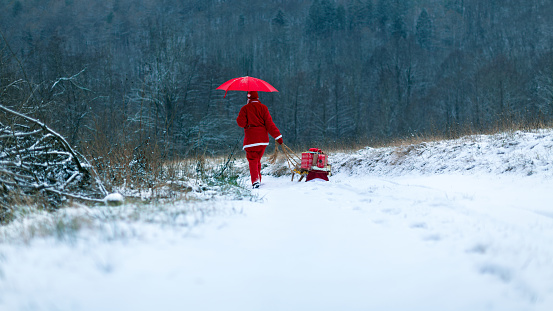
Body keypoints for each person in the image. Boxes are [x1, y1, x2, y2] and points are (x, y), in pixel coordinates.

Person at [236, 91, 283, 189]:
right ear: (257, 98)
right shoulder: (264, 108)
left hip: (251, 141)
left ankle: (255, 181)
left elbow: (241, 123)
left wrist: (245, 115)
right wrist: (278, 137)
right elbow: (270, 124)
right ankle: (258, 179)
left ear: (248, 98)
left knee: (253, 160)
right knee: (257, 160)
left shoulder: (245, 108)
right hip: (262, 141)